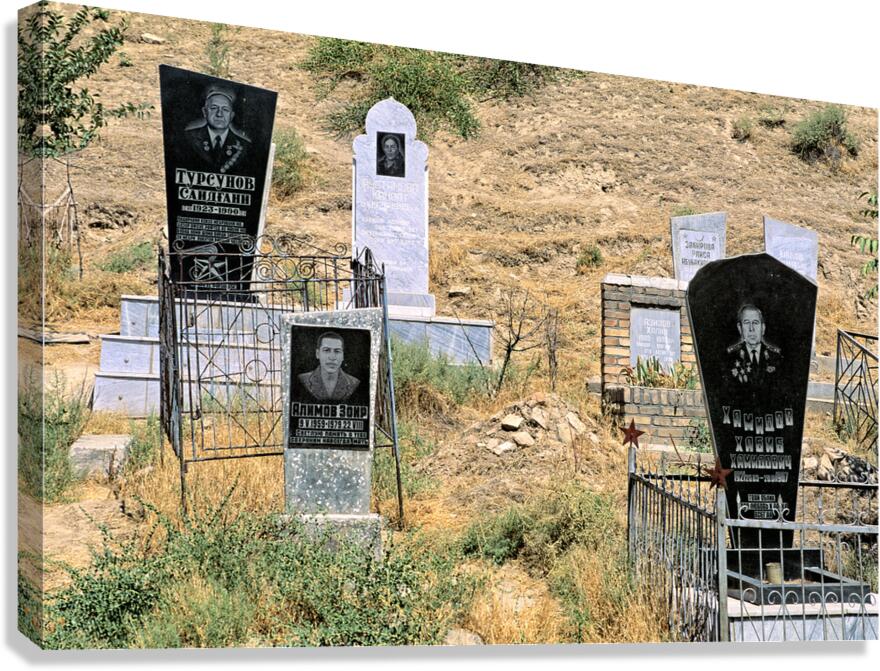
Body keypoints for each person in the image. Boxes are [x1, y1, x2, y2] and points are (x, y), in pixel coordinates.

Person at [184, 85, 252, 174]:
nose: (219, 114)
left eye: (225, 109)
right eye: (214, 108)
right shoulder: (188, 138)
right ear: (205, 112)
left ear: (231, 116)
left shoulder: (245, 146)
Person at [725, 304, 782, 387]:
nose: (751, 329)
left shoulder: (775, 356)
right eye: (747, 323)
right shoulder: (730, 357)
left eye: (755, 323)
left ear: (763, 328)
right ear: (740, 328)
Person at [297, 331, 361, 402]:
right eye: (326, 350)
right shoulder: (303, 380)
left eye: (337, 351)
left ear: (343, 356)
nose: (332, 357)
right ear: (317, 354)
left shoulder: (354, 383)